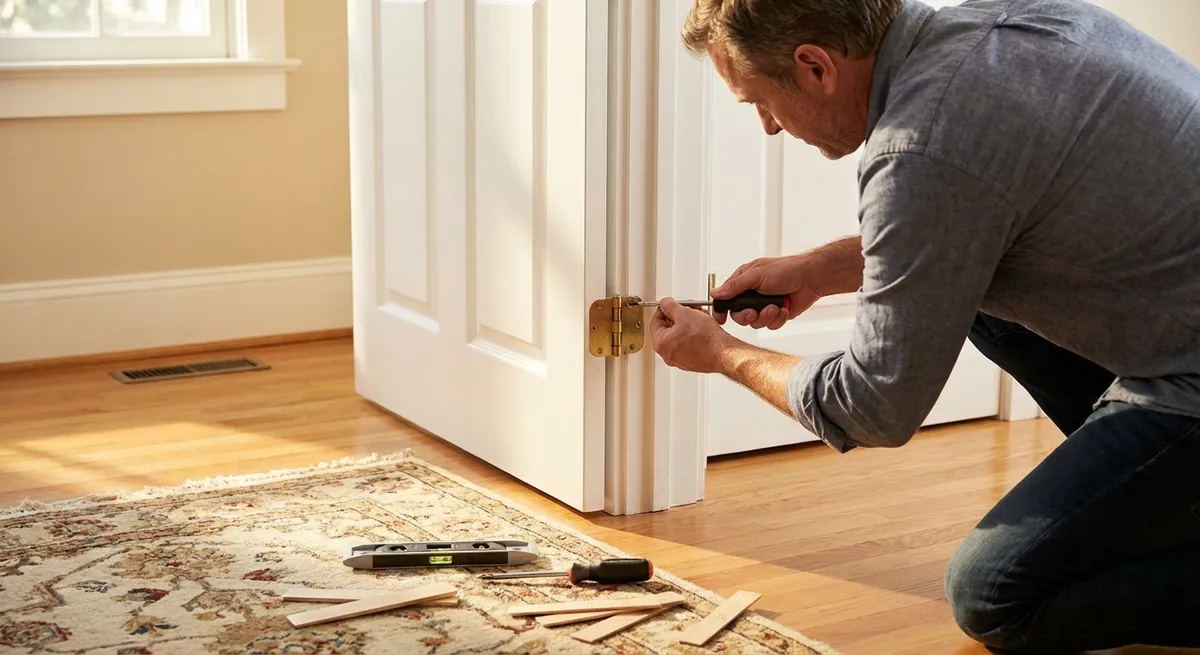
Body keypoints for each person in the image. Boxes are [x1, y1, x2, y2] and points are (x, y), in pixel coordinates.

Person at [649, 0, 1200, 652]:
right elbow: (972, 213)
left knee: (994, 595)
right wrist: (821, 269)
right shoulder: (1007, 24)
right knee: (988, 311)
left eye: (759, 101)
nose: (767, 126)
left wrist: (722, 352)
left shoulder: (921, 145)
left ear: (815, 66)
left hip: (1188, 367)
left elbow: (873, 405)